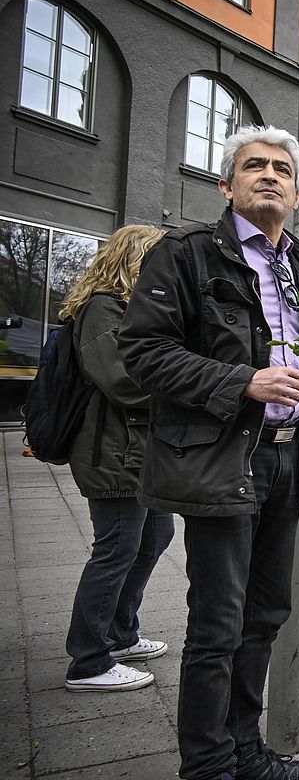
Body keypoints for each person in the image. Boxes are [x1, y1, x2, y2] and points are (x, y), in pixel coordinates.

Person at [118, 125, 299, 780]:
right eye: (254, 166)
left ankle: (246, 755)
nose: (269, 175)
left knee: (265, 615)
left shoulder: (297, 264)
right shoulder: (188, 254)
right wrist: (242, 382)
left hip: (287, 461)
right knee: (218, 624)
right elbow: (142, 352)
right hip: (224, 458)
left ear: (298, 195)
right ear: (227, 185)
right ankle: (208, 766)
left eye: (282, 169)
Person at [61, 225, 173, 694]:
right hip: (112, 452)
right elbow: (123, 381)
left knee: (155, 536)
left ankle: (120, 633)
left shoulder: (128, 310)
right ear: (134, 261)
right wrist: (185, 390)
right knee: (117, 548)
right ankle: (88, 660)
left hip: (138, 452)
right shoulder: (101, 308)